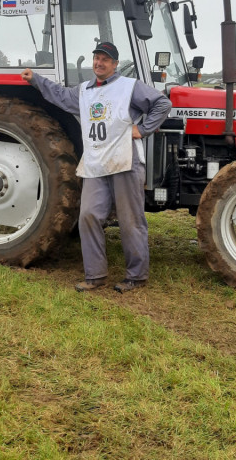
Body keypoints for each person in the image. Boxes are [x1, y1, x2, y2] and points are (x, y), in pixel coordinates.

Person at [21, 42, 171, 293]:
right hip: (95, 162)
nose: (99, 63)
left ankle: (136, 276)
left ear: (114, 64)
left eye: (105, 59)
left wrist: (142, 129)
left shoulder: (129, 87)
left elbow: (161, 104)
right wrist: (35, 79)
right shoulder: (84, 91)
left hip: (124, 161)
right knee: (88, 215)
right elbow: (59, 94)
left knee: (130, 220)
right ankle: (95, 274)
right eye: (96, 58)